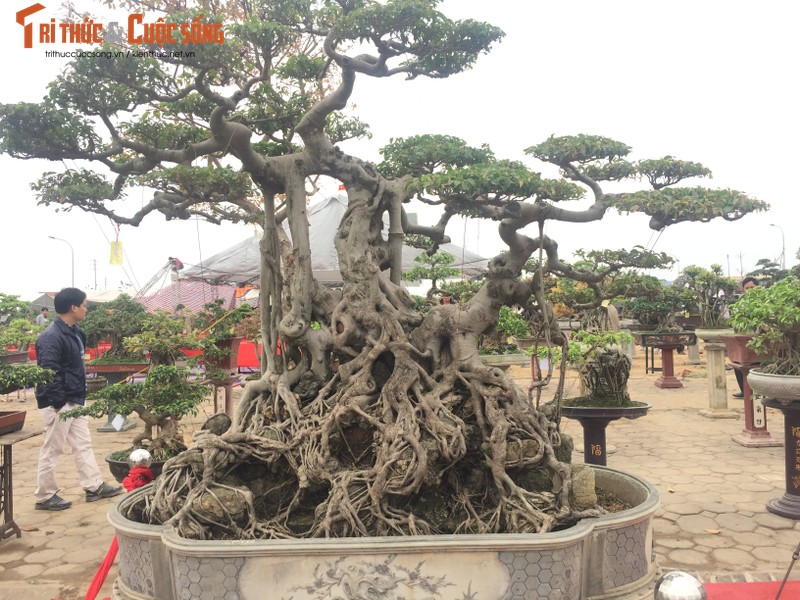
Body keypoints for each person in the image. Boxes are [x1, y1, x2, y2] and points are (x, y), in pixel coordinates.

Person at [33, 287, 123, 511]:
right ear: (73, 307)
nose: (86, 309)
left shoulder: (76, 332)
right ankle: (44, 496)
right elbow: (47, 373)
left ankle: (94, 486)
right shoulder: (51, 337)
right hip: (59, 402)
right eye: (84, 305)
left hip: (76, 398)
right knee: (53, 448)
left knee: (83, 445)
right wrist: (59, 404)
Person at [732, 277, 760, 398]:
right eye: (747, 288)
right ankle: (744, 391)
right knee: (738, 364)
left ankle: (759, 391)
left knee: (758, 366)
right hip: (744, 338)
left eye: (752, 288)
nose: (749, 290)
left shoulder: (764, 302)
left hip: (760, 339)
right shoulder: (739, 304)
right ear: (742, 289)